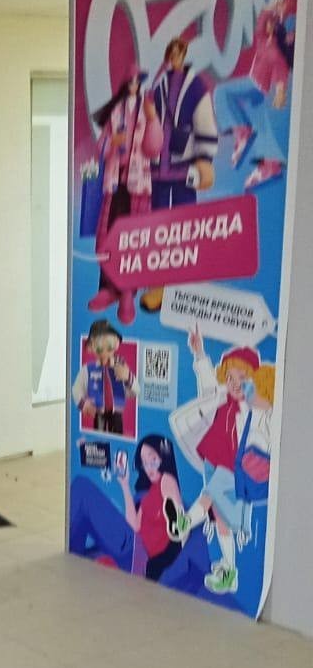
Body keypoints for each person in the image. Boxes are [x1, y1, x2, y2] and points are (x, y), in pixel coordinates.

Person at [170, 330, 275, 596]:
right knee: (221, 518)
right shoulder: (219, 396)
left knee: (209, 496)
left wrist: (257, 399)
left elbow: (267, 417)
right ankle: (229, 571)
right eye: (230, 376)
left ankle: (185, 522)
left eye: (243, 378)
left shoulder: (254, 408)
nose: (235, 383)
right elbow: (207, 380)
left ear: (254, 379)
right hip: (212, 461)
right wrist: (199, 353)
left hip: (234, 469)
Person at [69, 435, 208, 589]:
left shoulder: (167, 480)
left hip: (139, 555)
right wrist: (124, 484)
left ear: (163, 458)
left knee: (81, 487)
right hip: (133, 549)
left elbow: (182, 530)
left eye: (153, 460)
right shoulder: (148, 494)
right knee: (81, 493)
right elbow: (134, 525)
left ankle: (73, 559)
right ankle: (74, 558)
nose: (149, 467)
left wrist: (159, 564)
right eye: (145, 463)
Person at [143, 37, 218, 312]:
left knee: (186, 225)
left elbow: (205, 122)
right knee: (158, 227)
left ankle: (187, 285)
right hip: (158, 167)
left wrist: (205, 159)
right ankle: (158, 284)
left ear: (184, 54)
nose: (174, 57)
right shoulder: (158, 85)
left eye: (178, 52)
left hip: (184, 164)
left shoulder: (196, 86)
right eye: (170, 53)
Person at [87, 61, 164, 324]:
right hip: (114, 183)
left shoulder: (148, 108)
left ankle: (128, 290)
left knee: (134, 239)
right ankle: (109, 288)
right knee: (109, 236)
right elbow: (100, 146)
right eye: (130, 81)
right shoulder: (116, 111)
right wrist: (112, 143)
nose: (134, 85)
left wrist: (152, 120)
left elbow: (154, 148)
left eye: (137, 81)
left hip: (138, 184)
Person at [214, 0, 293, 189]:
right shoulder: (264, 41)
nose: (267, 26)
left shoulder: (276, 54)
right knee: (262, 126)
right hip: (256, 91)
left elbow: (281, 76)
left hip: (255, 87)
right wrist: (272, 10)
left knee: (221, 92)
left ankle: (243, 134)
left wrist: (280, 93)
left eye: (271, 25)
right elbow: (261, 21)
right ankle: (270, 166)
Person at [72, 319, 138, 435]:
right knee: (99, 436)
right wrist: (83, 403)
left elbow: (136, 391)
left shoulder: (121, 367)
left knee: (117, 435)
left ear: (117, 344)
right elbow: (76, 389)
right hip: (98, 411)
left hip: (117, 411)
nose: (104, 353)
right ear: (91, 347)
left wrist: (128, 378)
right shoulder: (88, 369)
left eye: (110, 347)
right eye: (99, 348)